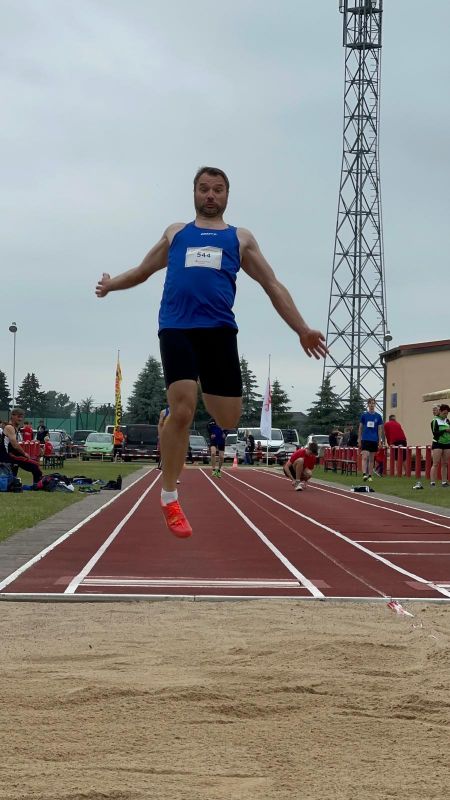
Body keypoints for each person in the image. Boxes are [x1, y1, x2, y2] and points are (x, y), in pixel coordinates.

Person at [96, 166, 327, 537]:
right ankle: (169, 496)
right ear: (194, 193)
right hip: (177, 327)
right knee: (183, 409)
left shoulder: (241, 239)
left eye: (217, 189)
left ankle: (179, 407)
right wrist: (111, 285)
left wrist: (302, 329)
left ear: (226, 196)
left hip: (219, 332)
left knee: (228, 418)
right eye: (204, 188)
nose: (210, 195)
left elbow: (272, 284)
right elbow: (142, 271)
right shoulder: (176, 233)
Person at [0, 408, 43, 484]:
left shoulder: (15, 428)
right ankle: (37, 485)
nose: (20, 419)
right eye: (18, 416)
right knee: (35, 466)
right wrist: (24, 453)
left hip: (11, 455)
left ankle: (36, 484)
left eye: (21, 417)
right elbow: (15, 445)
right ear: (12, 416)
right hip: (8, 455)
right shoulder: (9, 427)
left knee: (33, 465)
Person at [358, 398, 384, 482]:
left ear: (375, 404)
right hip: (365, 439)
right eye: (370, 403)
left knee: (372, 459)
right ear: (368, 405)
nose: (372, 405)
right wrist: (359, 439)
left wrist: (379, 441)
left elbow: (380, 429)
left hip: (374, 439)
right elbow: (360, 428)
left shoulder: (378, 416)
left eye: (373, 403)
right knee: (365, 456)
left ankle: (370, 475)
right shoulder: (364, 415)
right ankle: (364, 474)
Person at [430, 403, 450, 488]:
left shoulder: (447, 421)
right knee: (435, 463)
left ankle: (444, 482)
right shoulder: (435, 421)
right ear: (440, 412)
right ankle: (432, 482)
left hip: (447, 443)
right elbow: (435, 433)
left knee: (445, 464)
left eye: (447, 413)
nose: (446, 415)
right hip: (438, 443)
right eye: (444, 413)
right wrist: (445, 430)